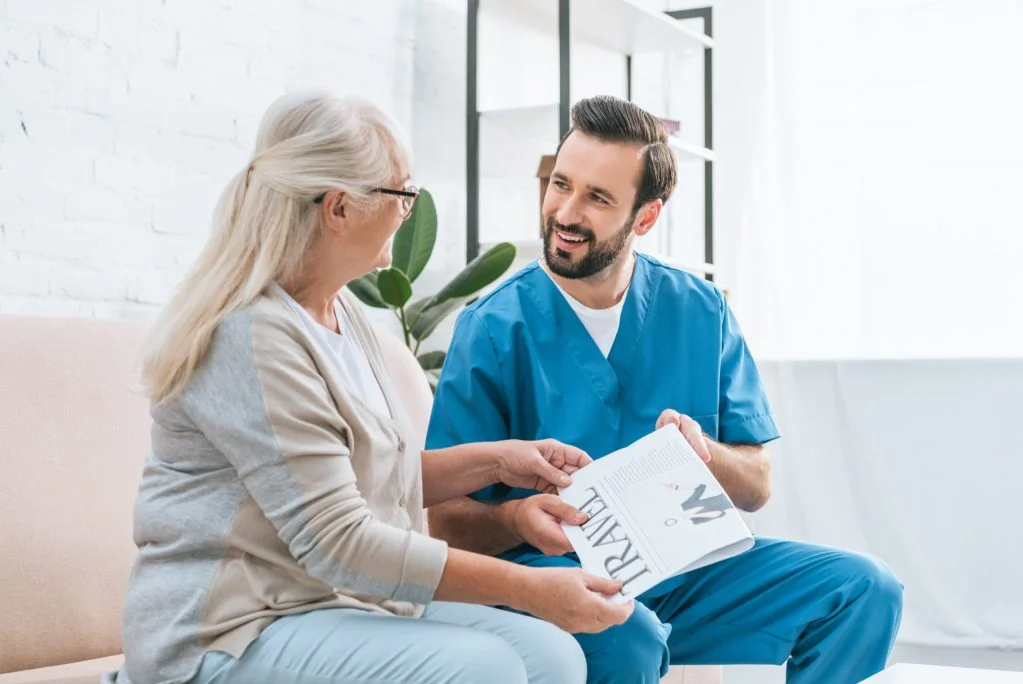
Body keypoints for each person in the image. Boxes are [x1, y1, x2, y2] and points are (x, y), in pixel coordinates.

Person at [102, 91, 635, 684]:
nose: (409, 210)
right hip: (225, 634)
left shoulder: (342, 314)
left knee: (555, 656)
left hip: (330, 607)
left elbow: (363, 482)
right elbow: (340, 541)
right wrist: (531, 587)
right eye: (401, 193)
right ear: (338, 208)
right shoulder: (250, 336)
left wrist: (501, 462)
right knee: (488, 668)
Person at [426, 95, 904, 684]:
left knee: (865, 589)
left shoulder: (702, 311)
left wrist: (704, 451)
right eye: (559, 184)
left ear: (646, 217)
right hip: (550, 577)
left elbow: (756, 484)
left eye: (598, 198)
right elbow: (445, 522)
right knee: (627, 633)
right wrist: (518, 517)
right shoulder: (494, 326)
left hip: (687, 571)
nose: (565, 212)